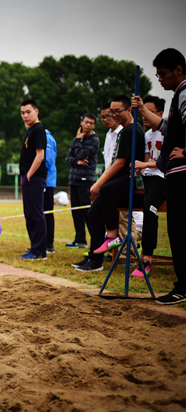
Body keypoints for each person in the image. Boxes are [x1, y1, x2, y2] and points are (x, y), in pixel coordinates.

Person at [132, 48, 186, 305]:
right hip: (172, 171)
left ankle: (183, 286)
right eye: (157, 74)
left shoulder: (184, 92)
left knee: (178, 230)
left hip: (179, 174)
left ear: (178, 70)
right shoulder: (178, 96)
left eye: (163, 74)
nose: (160, 79)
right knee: (177, 231)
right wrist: (142, 109)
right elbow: (166, 127)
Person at [73, 95, 145, 272]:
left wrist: (99, 184)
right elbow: (113, 162)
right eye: (111, 112)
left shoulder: (132, 130)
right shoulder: (122, 131)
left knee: (106, 190)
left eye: (117, 111)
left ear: (129, 110)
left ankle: (112, 235)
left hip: (128, 180)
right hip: (116, 178)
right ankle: (95, 259)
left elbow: (120, 163)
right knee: (93, 214)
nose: (113, 115)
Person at [129, 96, 167, 277]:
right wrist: (138, 170)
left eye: (149, 112)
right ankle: (114, 239)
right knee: (116, 194)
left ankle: (147, 258)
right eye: (143, 111)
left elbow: (164, 162)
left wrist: (144, 165)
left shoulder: (168, 132)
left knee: (149, 209)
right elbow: (145, 159)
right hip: (147, 177)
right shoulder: (146, 134)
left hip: (161, 178)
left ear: (160, 114)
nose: (144, 116)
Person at [65, 114, 100, 249]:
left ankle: (95, 241)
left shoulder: (94, 140)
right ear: (81, 122)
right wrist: (77, 161)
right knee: (75, 211)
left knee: (87, 212)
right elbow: (69, 158)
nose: (88, 125)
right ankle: (80, 240)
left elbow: (81, 154)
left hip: (86, 180)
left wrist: (79, 144)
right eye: (86, 122)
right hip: (73, 179)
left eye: (91, 123)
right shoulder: (77, 139)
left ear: (94, 126)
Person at [19, 100, 48, 260]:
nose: (25, 115)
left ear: (36, 111)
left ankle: (39, 251)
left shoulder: (38, 129)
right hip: (29, 176)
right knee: (29, 214)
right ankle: (34, 247)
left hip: (35, 177)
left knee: (36, 213)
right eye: (22, 113)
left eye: (28, 112)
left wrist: (29, 175)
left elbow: (40, 155)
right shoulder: (30, 129)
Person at [44, 128, 57, 253]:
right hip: (40, 181)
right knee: (39, 213)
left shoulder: (47, 137)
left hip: (46, 181)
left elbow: (48, 160)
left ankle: (49, 244)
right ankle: (40, 242)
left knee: (47, 212)